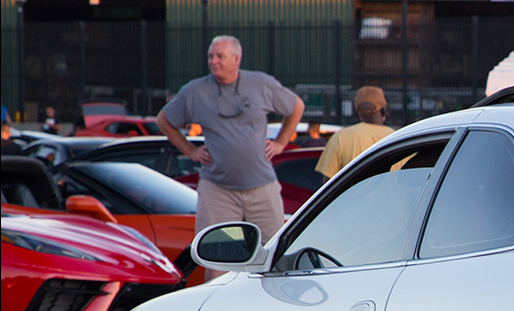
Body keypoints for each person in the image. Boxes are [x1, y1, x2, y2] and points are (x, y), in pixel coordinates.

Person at [157, 35, 303, 239]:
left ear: (236, 59)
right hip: (217, 192)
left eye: (220, 56)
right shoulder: (195, 91)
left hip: (262, 188)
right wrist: (191, 151)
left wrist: (280, 142)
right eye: (210, 56)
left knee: (272, 252)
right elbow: (163, 120)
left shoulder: (260, 84)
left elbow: (296, 107)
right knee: (218, 255)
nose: (213, 61)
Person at [315, 86, 394, 180]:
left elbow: (328, 182)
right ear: (383, 111)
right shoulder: (398, 137)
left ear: (356, 113)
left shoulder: (340, 137)